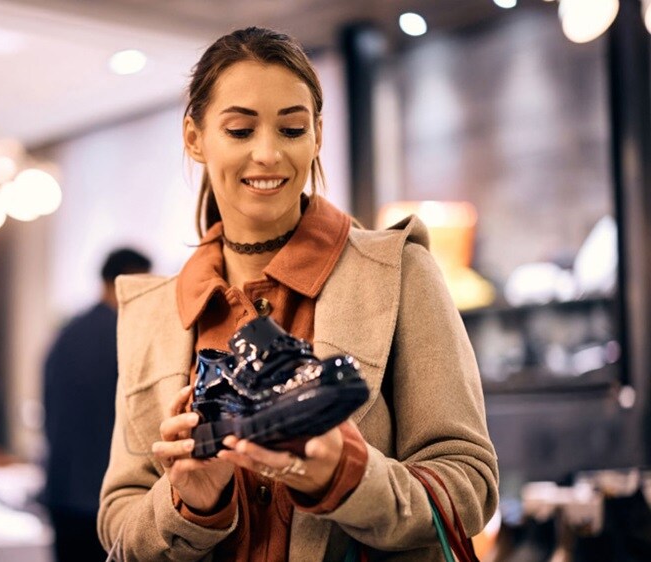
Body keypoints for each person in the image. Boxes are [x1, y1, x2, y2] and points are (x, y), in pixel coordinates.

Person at [97, 27, 498, 561]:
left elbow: (470, 484)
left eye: (291, 128)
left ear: (317, 135)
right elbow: (118, 519)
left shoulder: (398, 273)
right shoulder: (151, 313)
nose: (268, 154)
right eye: (240, 130)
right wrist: (188, 502)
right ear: (194, 137)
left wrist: (349, 476)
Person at [42, 248, 152, 562]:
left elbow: (49, 411)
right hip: (111, 498)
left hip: (63, 491)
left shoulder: (66, 334)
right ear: (128, 281)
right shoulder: (128, 337)